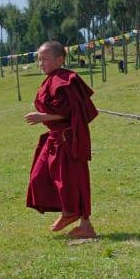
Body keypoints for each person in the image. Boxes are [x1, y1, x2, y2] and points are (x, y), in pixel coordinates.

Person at [25, 40, 98, 239]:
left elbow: (71, 112)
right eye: (39, 59)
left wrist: (42, 117)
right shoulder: (52, 79)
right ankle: (76, 217)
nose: (41, 63)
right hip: (54, 138)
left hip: (68, 139)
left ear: (59, 60)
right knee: (40, 176)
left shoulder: (66, 80)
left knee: (72, 180)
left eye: (45, 59)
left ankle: (79, 220)